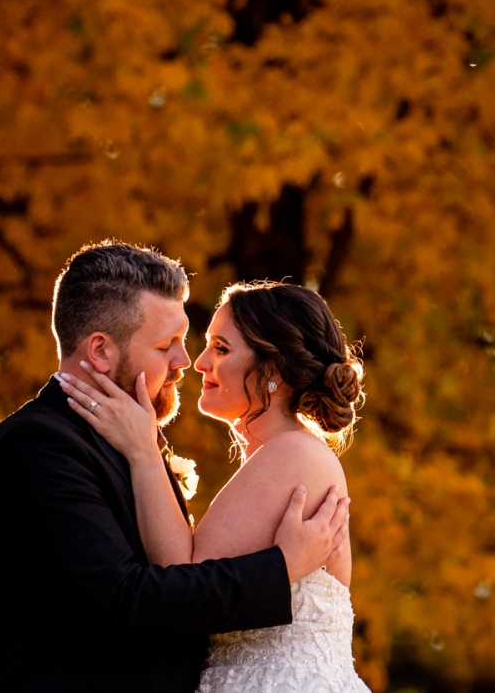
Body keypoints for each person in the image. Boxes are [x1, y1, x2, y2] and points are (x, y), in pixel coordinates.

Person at [0, 243, 350, 693]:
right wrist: (281, 568)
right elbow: (129, 601)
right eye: (167, 345)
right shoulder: (40, 445)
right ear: (101, 351)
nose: (185, 363)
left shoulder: (135, 443)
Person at [58, 279, 370, 693]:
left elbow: (183, 579)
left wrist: (143, 450)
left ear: (272, 372)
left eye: (221, 349)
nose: (198, 362)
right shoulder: (282, 456)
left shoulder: (292, 453)